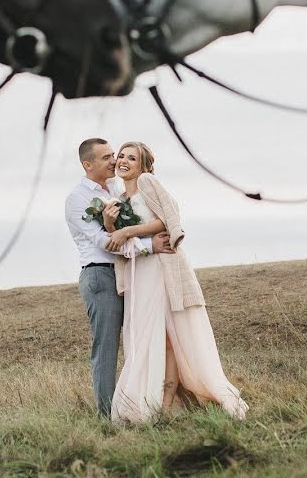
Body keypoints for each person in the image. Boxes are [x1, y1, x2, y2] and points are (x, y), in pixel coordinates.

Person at [106, 142, 248, 423]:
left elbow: (167, 219)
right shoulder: (119, 199)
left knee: (168, 335)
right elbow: (115, 244)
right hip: (138, 273)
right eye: (121, 156)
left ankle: (167, 401)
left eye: (131, 158)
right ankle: (150, 400)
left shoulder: (147, 182)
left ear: (144, 165)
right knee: (146, 335)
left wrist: (128, 230)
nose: (123, 161)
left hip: (160, 268)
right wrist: (111, 226)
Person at [65, 138, 175, 418]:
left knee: (137, 338)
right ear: (87, 165)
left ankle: (140, 403)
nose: (114, 161)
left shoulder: (117, 187)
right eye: (106, 158)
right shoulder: (77, 199)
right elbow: (106, 242)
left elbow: (131, 223)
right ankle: (107, 415)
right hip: (100, 274)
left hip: (130, 272)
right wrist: (150, 245)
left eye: (113, 155)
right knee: (107, 346)